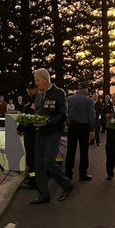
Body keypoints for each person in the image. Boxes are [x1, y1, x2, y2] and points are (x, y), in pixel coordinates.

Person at [30, 68, 74, 204]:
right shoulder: (39, 96)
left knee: (49, 161)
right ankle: (43, 194)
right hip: (40, 133)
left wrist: (48, 122)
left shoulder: (59, 93)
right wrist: (32, 121)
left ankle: (67, 185)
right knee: (38, 164)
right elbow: (37, 112)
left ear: (45, 79)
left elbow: (63, 114)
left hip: (53, 133)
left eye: (37, 80)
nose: (36, 84)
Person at [65, 83, 95, 181]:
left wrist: (67, 124)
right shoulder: (89, 101)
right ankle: (83, 174)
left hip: (72, 126)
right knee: (84, 151)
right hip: (84, 128)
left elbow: (66, 113)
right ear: (85, 89)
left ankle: (68, 173)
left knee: (70, 151)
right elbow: (91, 116)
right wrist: (92, 129)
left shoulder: (69, 99)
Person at [17, 82, 39, 189]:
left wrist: (21, 128)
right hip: (32, 133)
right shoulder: (34, 100)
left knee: (31, 158)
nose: (28, 92)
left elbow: (28, 117)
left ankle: (32, 180)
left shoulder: (35, 101)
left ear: (35, 89)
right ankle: (33, 178)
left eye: (30, 89)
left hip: (32, 134)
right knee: (32, 158)